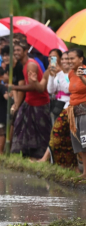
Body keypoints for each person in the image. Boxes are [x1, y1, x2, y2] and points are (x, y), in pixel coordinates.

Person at [32, 50, 76, 168]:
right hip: (58, 105)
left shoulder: (77, 71)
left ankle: (47, 159)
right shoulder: (60, 73)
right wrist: (52, 75)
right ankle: (59, 162)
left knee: (60, 134)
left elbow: (68, 89)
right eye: (64, 59)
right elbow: (51, 90)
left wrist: (60, 73)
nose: (66, 61)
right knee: (58, 134)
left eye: (69, 59)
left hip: (71, 106)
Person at [11, 37, 51, 159]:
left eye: (19, 50)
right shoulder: (23, 65)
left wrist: (13, 87)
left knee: (42, 132)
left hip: (40, 104)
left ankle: (42, 158)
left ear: (25, 51)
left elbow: (33, 87)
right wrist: (17, 104)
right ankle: (23, 156)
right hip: (29, 102)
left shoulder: (31, 65)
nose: (16, 53)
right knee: (20, 127)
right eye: (15, 50)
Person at [66, 48, 86, 178]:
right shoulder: (71, 73)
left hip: (84, 111)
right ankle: (85, 172)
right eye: (68, 58)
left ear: (81, 59)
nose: (69, 61)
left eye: (72, 58)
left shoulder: (84, 70)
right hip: (74, 112)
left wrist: (82, 78)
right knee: (79, 144)